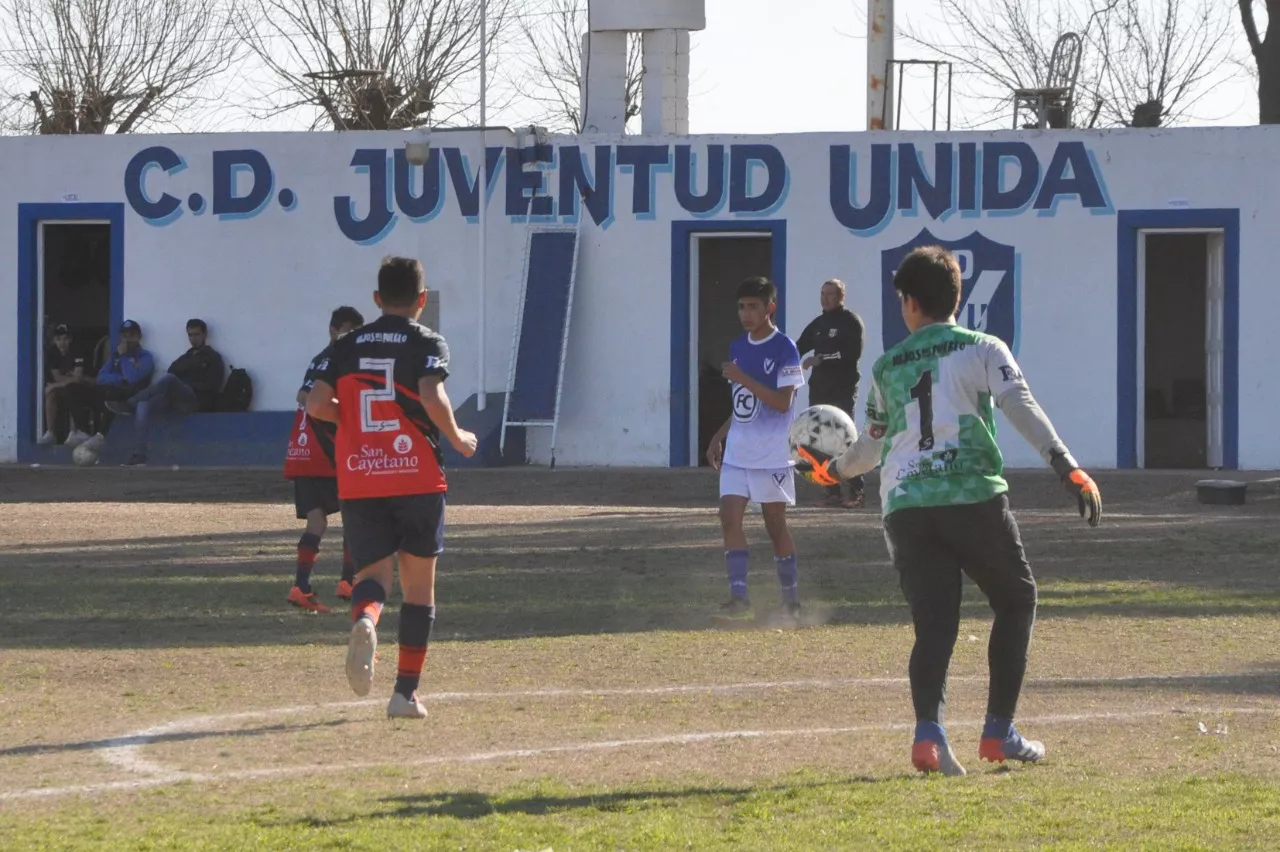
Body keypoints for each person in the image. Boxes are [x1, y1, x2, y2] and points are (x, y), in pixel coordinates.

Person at [796, 245, 1102, 777]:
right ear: (956, 297)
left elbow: (870, 448)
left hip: (905, 504)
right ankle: (998, 730)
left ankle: (929, 739)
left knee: (935, 623)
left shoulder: (888, 366)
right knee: (1017, 598)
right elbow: (1019, 404)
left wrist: (834, 473)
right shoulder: (983, 347)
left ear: (908, 303)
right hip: (968, 493)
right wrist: (1065, 466)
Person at [307, 257, 477, 719]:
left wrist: (352, 421)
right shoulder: (427, 340)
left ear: (376, 299)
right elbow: (429, 393)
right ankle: (405, 693)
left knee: (373, 579)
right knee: (419, 588)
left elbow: (316, 403)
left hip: (361, 476)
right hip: (417, 475)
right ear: (422, 300)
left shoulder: (346, 344)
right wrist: (458, 437)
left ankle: (365, 618)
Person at [705, 276, 806, 628]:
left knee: (775, 525)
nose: (746, 314)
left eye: (753, 307)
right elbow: (743, 404)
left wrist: (743, 377)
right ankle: (739, 599)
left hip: (772, 455)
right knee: (728, 516)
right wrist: (719, 435)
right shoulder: (738, 345)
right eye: (741, 307)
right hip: (738, 452)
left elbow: (781, 404)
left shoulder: (785, 348)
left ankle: (791, 602)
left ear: (770, 308)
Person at [283, 306, 365, 614]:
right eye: (347, 332)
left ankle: (301, 586)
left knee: (318, 520)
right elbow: (306, 397)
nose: (351, 339)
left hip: (304, 451)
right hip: (326, 450)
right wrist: (345, 411)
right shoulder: (335, 359)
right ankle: (348, 581)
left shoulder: (322, 358)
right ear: (333, 330)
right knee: (353, 512)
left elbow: (302, 394)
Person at [107, 319, 225, 467]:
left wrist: (185, 383)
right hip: (175, 400)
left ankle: (130, 403)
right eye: (190, 335)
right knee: (143, 405)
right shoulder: (185, 357)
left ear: (204, 335)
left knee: (169, 379)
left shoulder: (213, 357)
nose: (193, 339)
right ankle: (139, 455)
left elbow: (213, 385)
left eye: (196, 334)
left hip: (196, 400)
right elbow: (171, 372)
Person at [796, 278, 866, 508]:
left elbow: (852, 353)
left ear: (841, 297)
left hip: (843, 389)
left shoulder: (851, 321)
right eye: (822, 294)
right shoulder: (818, 324)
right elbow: (797, 347)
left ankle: (856, 490)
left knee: (845, 439)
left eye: (830, 294)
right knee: (820, 441)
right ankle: (832, 491)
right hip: (819, 391)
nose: (825, 298)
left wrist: (820, 359)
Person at [38, 324, 93, 447]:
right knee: (51, 394)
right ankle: (50, 433)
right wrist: (68, 379)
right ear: (54, 341)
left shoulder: (78, 350)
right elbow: (57, 377)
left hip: (84, 386)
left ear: (70, 339)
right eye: (58, 339)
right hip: (64, 386)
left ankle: (74, 432)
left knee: (71, 390)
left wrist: (55, 385)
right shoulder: (52, 352)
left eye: (64, 339)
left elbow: (78, 379)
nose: (61, 342)